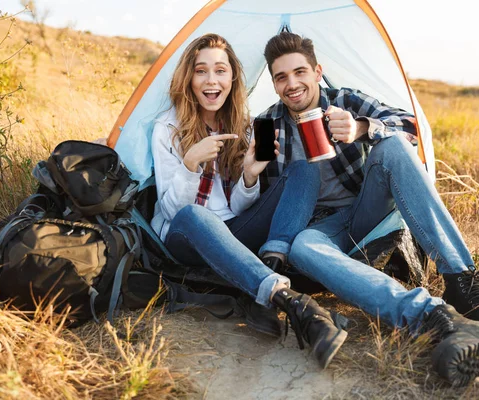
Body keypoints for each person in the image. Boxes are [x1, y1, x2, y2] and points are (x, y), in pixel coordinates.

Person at [255, 32, 479, 385]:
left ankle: (461, 281)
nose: (292, 84)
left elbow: (412, 128)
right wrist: (251, 169)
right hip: (321, 229)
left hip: (367, 211)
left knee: (393, 148)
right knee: (301, 246)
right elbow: (263, 199)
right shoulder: (268, 125)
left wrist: (362, 128)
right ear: (273, 83)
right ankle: (431, 317)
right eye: (281, 77)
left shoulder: (343, 99)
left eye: (300, 72)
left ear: (317, 71)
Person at [149, 33, 347, 369]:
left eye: (220, 71)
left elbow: (237, 209)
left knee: (304, 169)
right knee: (197, 215)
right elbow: (172, 211)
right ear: (190, 78)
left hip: (231, 230)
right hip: (184, 234)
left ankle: (266, 279)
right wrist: (189, 165)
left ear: (232, 78)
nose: (212, 80)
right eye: (201, 71)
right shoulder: (167, 127)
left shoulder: (243, 126)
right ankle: (293, 303)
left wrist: (250, 176)